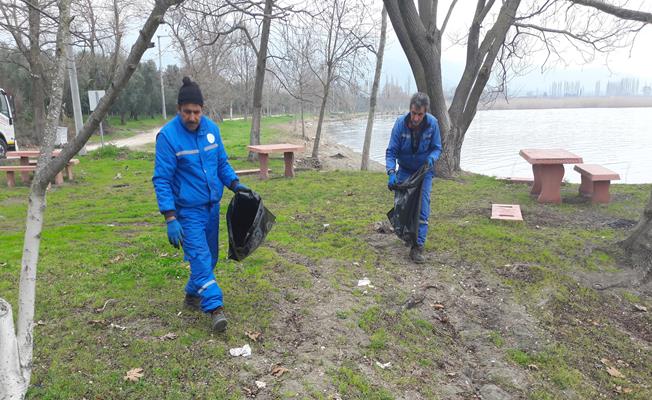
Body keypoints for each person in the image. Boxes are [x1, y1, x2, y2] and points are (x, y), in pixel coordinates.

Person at [152, 77, 250, 332]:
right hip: (187, 211)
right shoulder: (168, 137)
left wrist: (235, 184)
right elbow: (161, 179)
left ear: (202, 110)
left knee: (210, 258)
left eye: (196, 112)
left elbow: (221, 164)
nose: (192, 117)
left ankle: (191, 294)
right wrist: (170, 217)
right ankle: (215, 308)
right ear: (179, 109)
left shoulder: (211, 130)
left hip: (212, 208)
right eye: (187, 112)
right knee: (200, 256)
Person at [385, 92, 442, 263]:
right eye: (413, 113)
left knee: (422, 209)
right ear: (410, 110)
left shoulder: (433, 124)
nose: (416, 118)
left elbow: (437, 148)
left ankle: (418, 246)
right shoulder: (400, 125)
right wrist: (391, 172)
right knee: (403, 207)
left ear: (425, 112)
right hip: (404, 170)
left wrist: (432, 157)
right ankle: (407, 235)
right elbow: (391, 151)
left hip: (424, 171)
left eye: (420, 114)